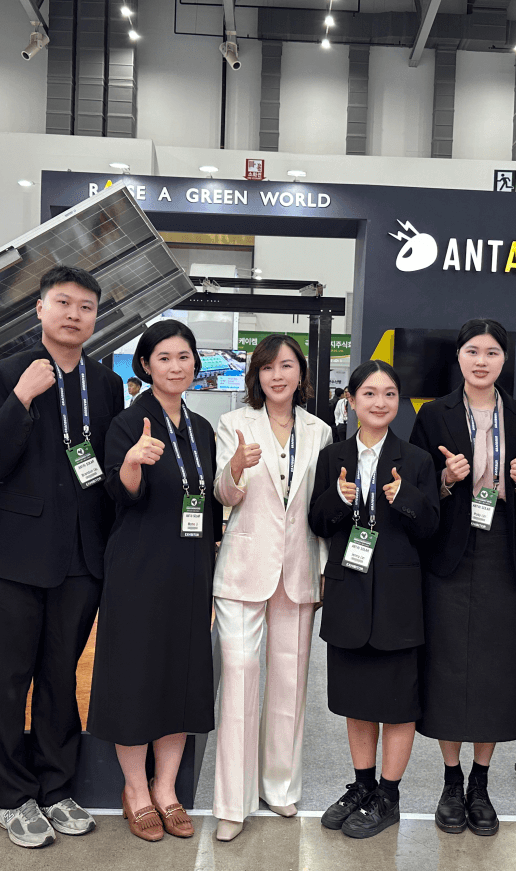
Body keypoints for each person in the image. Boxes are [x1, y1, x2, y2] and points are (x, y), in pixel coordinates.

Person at [0, 266, 123, 849]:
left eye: (86, 307)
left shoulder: (105, 384)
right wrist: (21, 398)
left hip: (81, 558)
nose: (74, 315)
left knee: (61, 677)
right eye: (63, 303)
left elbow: (106, 468)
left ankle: (57, 787)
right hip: (14, 557)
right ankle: (12, 797)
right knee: (8, 680)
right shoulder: (4, 374)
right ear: (39, 309)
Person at [89, 319, 222, 843]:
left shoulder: (202, 428)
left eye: (184, 356)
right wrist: (131, 463)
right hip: (138, 568)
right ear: (145, 365)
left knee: (180, 675)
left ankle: (165, 787)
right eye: (164, 357)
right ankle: (135, 790)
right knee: (135, 675)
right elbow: (121, 494)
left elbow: (207, 499)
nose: (176, 366)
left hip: (190, 568)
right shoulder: (128, 423)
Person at [408, 319, 516, 836]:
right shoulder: (433, 415)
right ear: (459, 357)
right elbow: (417, 488)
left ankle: (480, 783)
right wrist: (445, 479)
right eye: (472, 351)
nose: (481, 361)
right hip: (448, 552)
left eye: (491, 352)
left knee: (495, 669)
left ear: (504, 359)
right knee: (446, 666)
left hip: (502, 549)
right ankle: (450, 780)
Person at [309, 360, 439, 839]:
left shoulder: (417, 459)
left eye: (388, 394)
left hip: (398, 600)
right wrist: (339, 499)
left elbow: (431, 527)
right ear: (350, 400)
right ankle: (362, 787)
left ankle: (388, 795)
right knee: (357, 700)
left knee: (398, 703)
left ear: (399, 402)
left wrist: (406, 498)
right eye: (368, 393)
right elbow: (317, 522)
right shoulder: (333, 456)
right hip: (349, 592)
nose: (379, 402)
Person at [211, 334, 334, 842]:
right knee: (239, 677)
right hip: (243, 567)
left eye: (286, 366)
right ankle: (232, 804)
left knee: (290, 682)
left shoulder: (321, 431)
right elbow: (223, 494)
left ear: (301, 373)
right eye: (267, 367)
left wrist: (323, 567)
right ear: (256, 376)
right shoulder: (234, 424)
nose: (277, 375)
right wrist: (235, 467)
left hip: (298, 568)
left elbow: (320, 508)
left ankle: (280, 786)